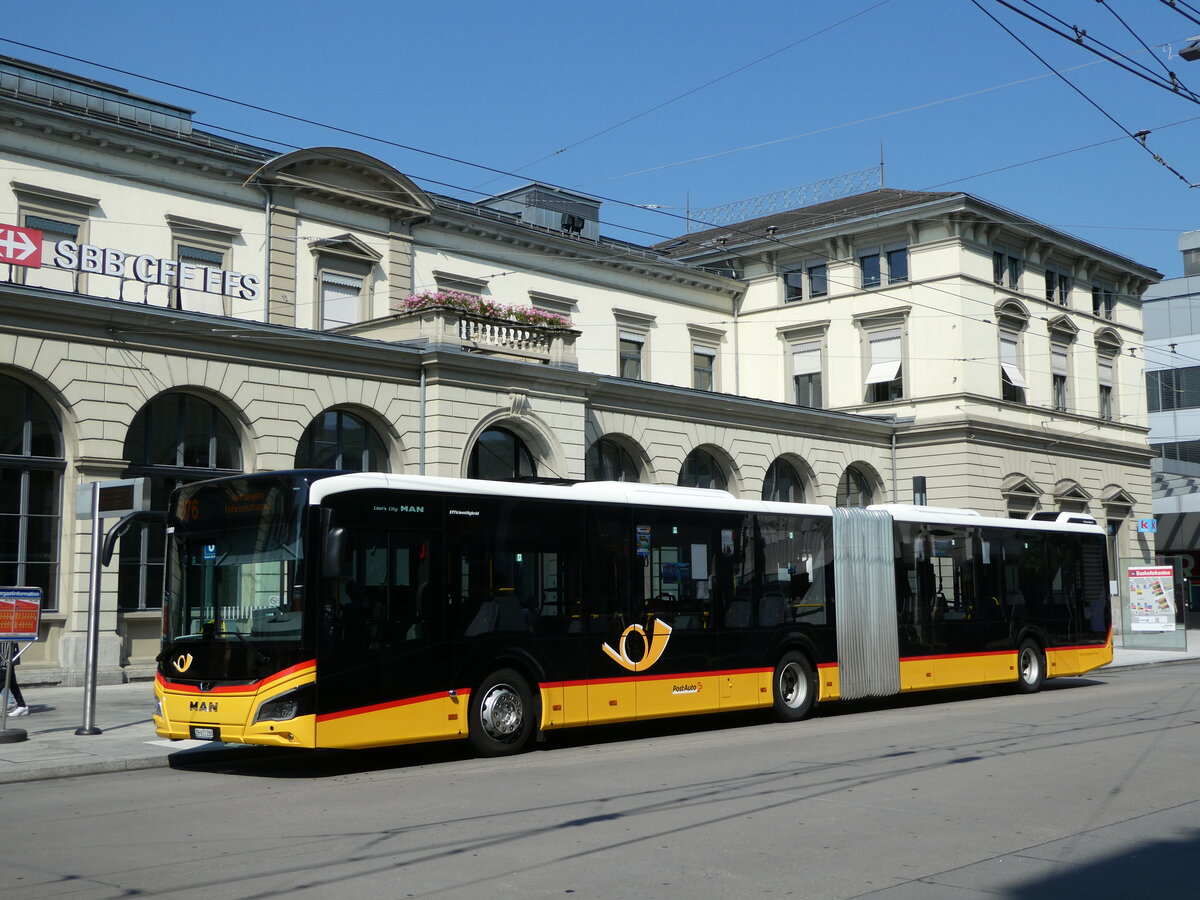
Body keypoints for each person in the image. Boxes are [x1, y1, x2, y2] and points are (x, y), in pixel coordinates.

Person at [2, 642, 28, 717]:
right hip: (5, 655)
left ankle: (21, 705)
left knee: (5, 679)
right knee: (12, 683)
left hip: (6, 655)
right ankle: (21, 705)